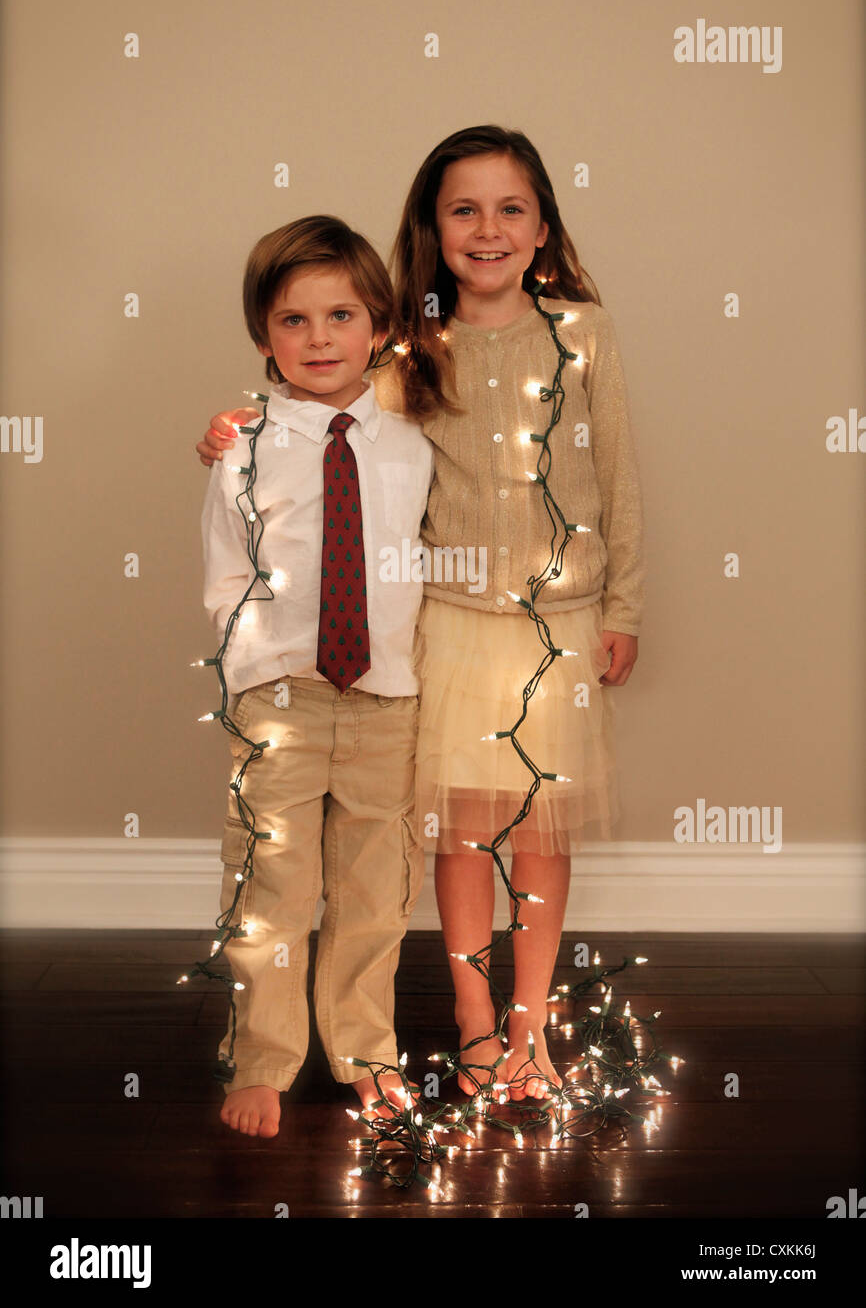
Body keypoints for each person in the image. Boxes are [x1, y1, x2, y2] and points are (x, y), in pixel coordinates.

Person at [197, 126, 645, 1105]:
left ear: (539, 228)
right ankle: (474, 1025)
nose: (486, 228)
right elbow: (327, 409)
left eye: (509, 208)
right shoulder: (410, 341)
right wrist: (236, 427)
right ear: (432, 227)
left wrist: (623, 604)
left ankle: (529, 1033)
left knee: (539, 833)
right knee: (455, 833)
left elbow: (617, 473)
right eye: (462, 209)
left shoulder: (582, 334)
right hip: (445, 624)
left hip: (556, 625)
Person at [201, 215, 433, 1137]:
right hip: (282, 697)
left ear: (378, 324)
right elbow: (224, 569)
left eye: (341, 315)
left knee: (377, 893)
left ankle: (365, 1055)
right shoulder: (245, 445)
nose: (321, 338)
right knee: (273, 886)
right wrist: (250, 664)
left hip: (386, 697)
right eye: (295, 321)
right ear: (266, 338)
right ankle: (263, 1058)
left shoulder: (412, 443)